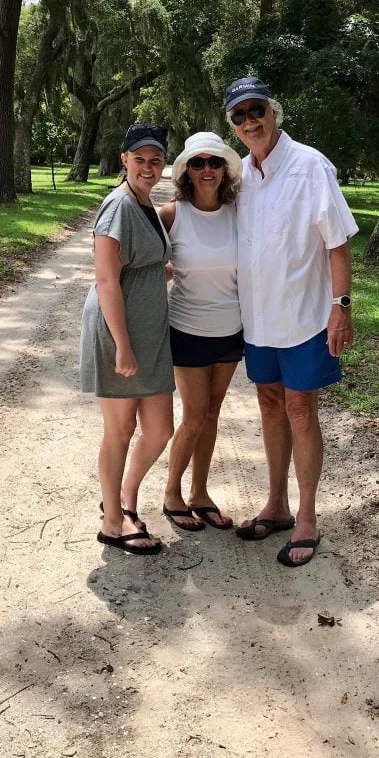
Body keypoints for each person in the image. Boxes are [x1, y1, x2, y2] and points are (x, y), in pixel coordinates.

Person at [225, 77, 359, 567]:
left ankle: (306, 518)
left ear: (274, 111)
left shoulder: (309, 166)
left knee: (301, 411)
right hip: (259, 320)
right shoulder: (241, 175)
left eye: (255, 110)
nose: (248, 122)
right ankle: (276, 504)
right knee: (268, 405)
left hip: (304, 317)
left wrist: (341, 305)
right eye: (238, 116)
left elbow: (338, 242)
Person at [79, 123, 175, 556]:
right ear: (124, 160)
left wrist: (159, 271)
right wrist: (122, 343)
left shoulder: (144, 203)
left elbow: (136, 262)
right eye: (140, 159)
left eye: (156, 160)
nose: (149, 167)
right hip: (121, 334)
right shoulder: (117, 205)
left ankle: (120, 498)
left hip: (150, 335)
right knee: (120, 430)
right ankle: (113, 524)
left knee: (159, 429)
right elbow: (105, 279)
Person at [158, 132, 244, 533]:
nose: (207, 170)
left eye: (214, 162)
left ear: (225, 168)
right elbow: (134, 256)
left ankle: (200, 493)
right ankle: (172, 493)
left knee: (211, 414)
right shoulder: (171, 215)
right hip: (187, 329)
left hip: (231, 331)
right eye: (198, 163)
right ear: (186, 171)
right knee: (193, 416)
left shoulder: (239, 210)